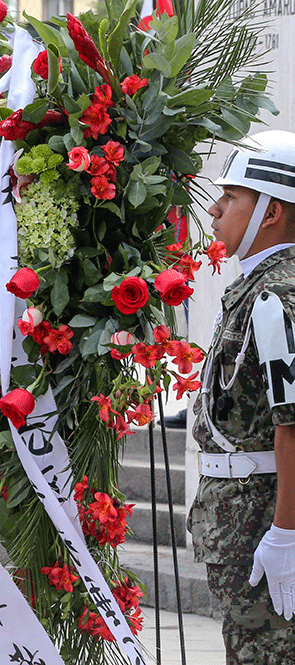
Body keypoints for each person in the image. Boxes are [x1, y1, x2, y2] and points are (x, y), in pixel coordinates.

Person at [187, 129, 295, 664]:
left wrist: (286, 534)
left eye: (231, 198)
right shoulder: (258, 286)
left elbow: (291, 424)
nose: (214, 210)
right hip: (241, 519)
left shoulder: (277, 295)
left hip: (259, 518)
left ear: (270, 212)